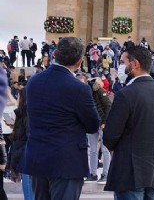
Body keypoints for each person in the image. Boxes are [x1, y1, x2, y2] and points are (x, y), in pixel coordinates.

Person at [23, 37, 100, 200]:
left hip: (38, 156)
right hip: (67, 161)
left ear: (55, 54)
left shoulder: (33, 82)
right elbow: (93, 125)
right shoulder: (79, 88)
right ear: (80, 62)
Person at [103, 46, 154, 200]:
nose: (120, 66)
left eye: (123, 62)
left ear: (135, 64)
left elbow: (110, 135)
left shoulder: (126, 94)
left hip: (130, 170)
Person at [86, 76, 112, 184]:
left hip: (102, 124)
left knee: (104, 150)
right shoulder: (88, 92)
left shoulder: (101, 91)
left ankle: (105, 174)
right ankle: (93, 173)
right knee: (92, 150)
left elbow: (108, 106)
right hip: (93, 123)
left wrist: (104, 122)